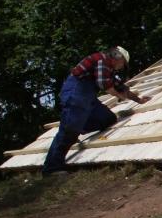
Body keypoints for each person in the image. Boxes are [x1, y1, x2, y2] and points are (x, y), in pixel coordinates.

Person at [42, 46, 151, 175]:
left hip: (88, 96)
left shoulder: (107, 69)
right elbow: (104, 85)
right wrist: (118, 95)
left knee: (108, 118)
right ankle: (51, 168)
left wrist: (138, 100)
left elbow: (120, 87)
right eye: (123, 63)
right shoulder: (102, 60)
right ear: (118, 57)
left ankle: (79, 127)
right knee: (69, 131)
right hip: (76, 92)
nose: (122, 67)